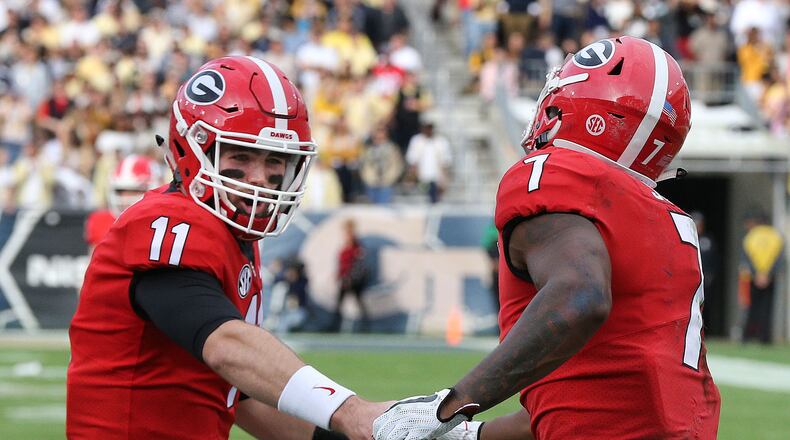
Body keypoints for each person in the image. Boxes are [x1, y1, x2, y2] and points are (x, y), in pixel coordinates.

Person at [373, 37, 721, 440]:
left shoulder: (551, 171)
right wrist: (468, 433)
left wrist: (448, 406)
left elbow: (580, 296)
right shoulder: (667, 220)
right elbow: (574, 403)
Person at [67, 56, 389, 440]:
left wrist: (370, 434)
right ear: (192, 148)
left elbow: (241, 396)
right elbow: (225, 346)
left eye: (276, 161)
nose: (262, 178)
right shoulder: (167, 221)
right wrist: (349, 410)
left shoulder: (233, 238)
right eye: (241, 156)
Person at [84, 154, 160, 252]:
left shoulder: (162, 222)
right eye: (120, 191)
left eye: (134, 191)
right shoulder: (100, 220)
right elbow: (96, 264)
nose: (126, 198)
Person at [739, 210, 784, 344]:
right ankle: (765, 337)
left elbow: (746, 257)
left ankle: (747, 336)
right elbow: (780, 259)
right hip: (770, 278)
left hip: (754, 278)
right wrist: (768, 275)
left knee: (751, 307)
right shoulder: (776, 236)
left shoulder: (751, 236)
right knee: (767, 308)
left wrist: (756, 274)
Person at [330, 219, 370, 332]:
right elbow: (342, 263)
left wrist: (349, 277)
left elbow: (357, 264)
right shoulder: (346, 246)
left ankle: (365, 326)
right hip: (345, 278)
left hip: (352, 279)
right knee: (341, 303)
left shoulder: (356, 247)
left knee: (358, 302)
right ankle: (335, 326)